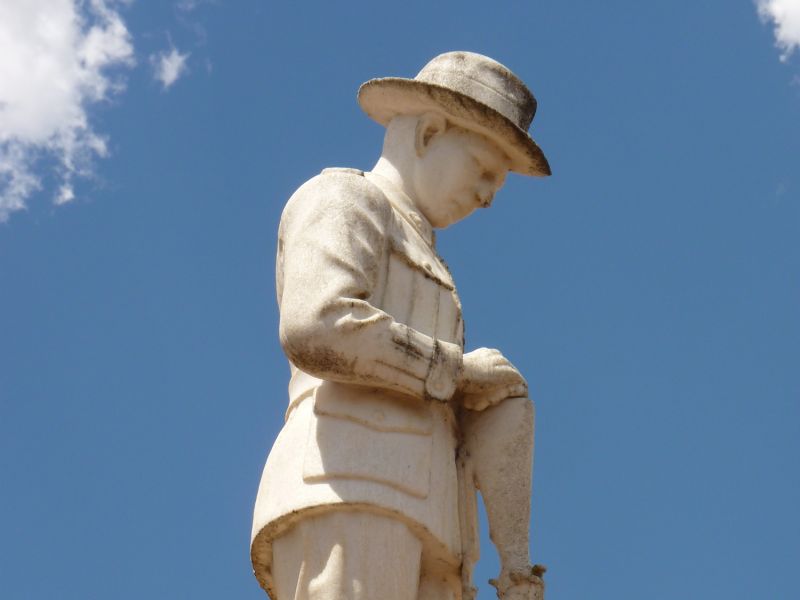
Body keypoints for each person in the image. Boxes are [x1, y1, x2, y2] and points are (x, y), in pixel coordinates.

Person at [251, 51, 551, 600]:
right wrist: (457, 371)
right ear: (429, 132)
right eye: (484, 170)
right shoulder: (345, 198)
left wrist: (515, 564)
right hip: (350, 488)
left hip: (432, 524)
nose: (486, 197)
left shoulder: (428, 257)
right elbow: (318, 324)